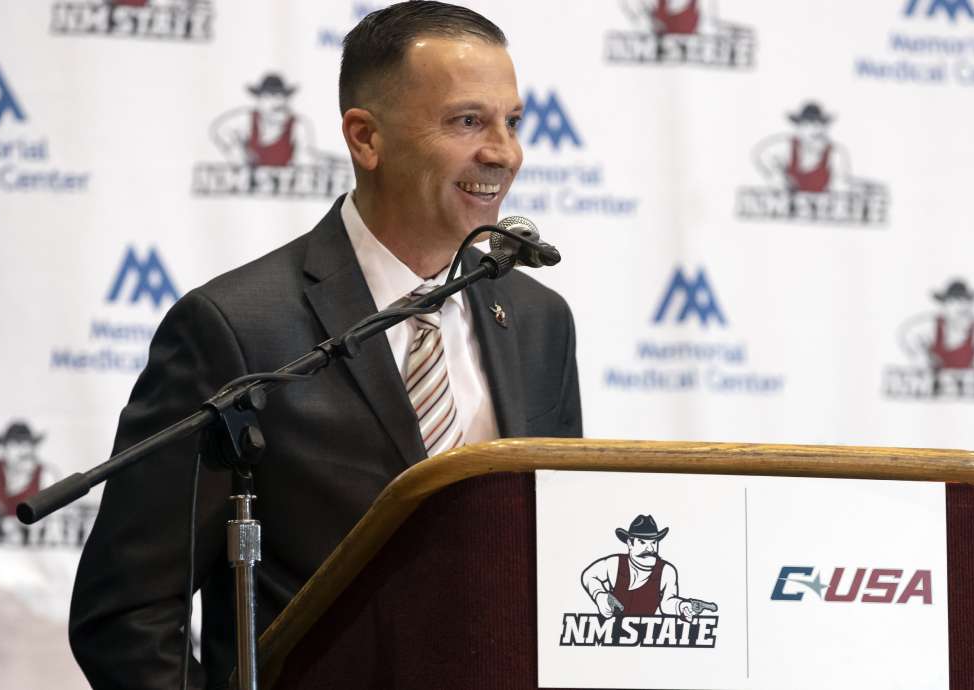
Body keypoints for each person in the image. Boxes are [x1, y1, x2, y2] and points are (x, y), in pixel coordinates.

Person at [68, 3, 582, 688]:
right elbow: (125, 616)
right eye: (467, 122)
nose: (503, 153)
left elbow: (557, 562)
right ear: (365, 138)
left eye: (512, 122)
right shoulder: (234, 328)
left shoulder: (541, 321)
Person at [580, 515, 714, 621]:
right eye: (642, 542)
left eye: (654, 542)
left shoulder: (666, 571)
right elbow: (588, 576)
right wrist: (599, 595)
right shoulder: (615, 564)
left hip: (645, 637)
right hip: (610, 637)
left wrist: (682, 606)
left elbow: (667, 603)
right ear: (630, 543)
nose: (650, 548)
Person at [898, 279, 974, 371]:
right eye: (953, 302)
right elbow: (908, 334)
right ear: (945, 305)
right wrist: (921, 357)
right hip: (934, 381)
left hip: (966, 381)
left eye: (964, 301)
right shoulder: (933, 326)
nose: (960, 306)